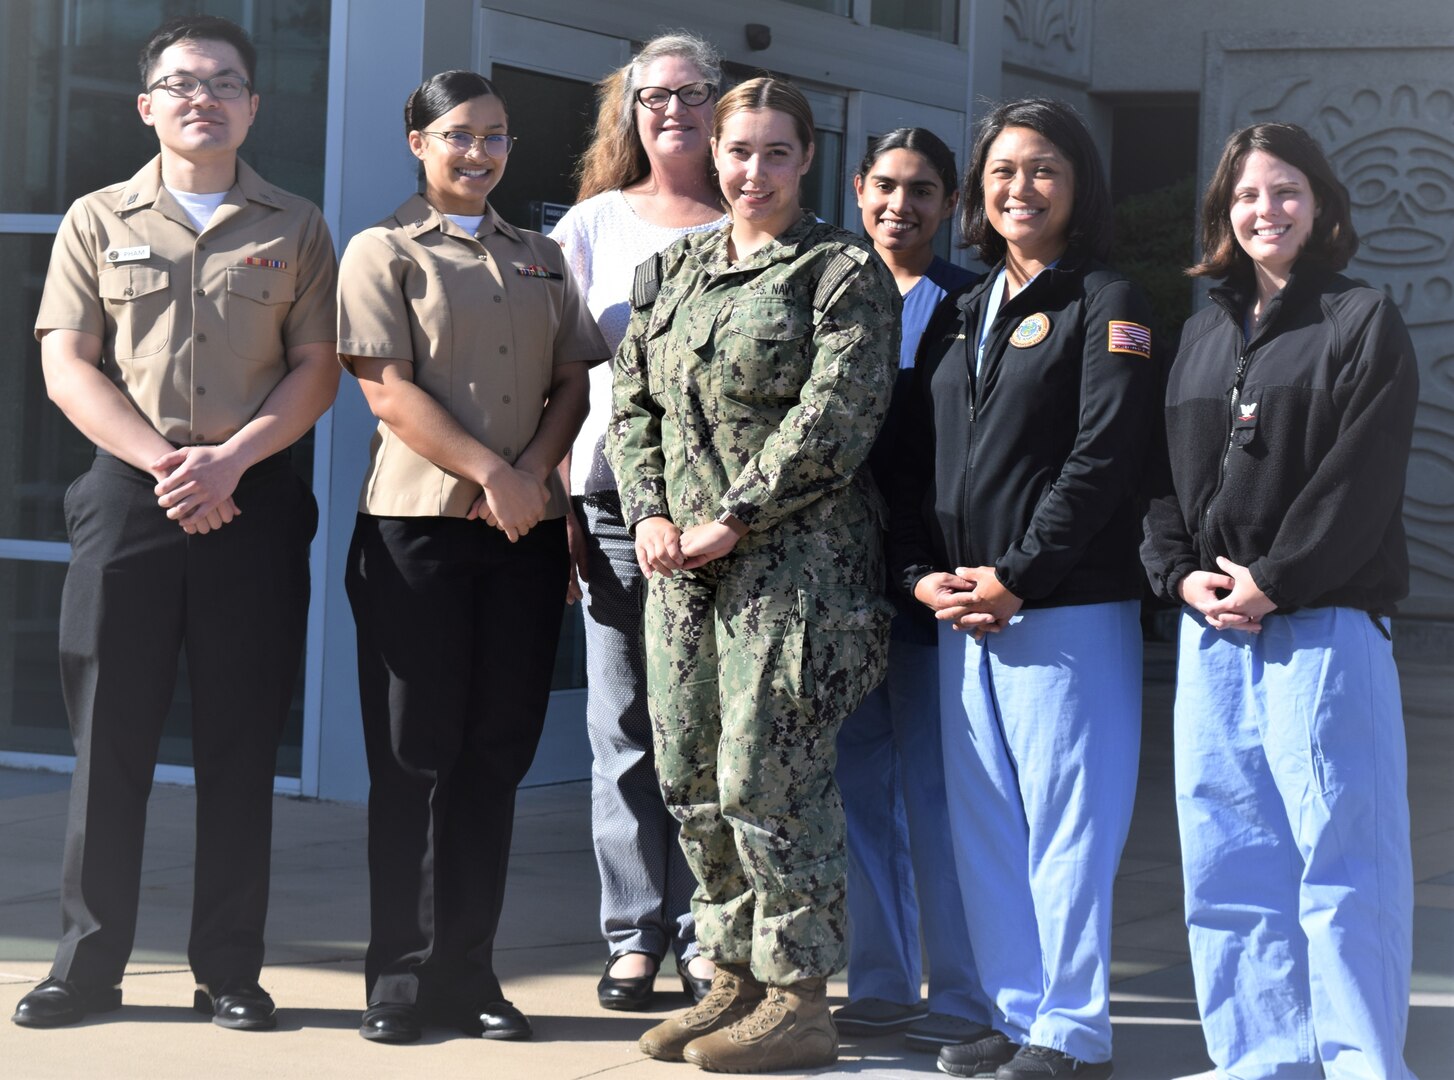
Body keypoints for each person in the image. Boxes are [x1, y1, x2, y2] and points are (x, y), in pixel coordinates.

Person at [11, 15, 337, 1033]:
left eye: (226, 81)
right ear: (148, 104)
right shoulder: (95, 220)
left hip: (256, 498)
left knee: (242, 747)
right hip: (131, 497)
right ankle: (88, 967)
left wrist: (231, 461)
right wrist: (169, 466)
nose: (205, 96)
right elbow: (68, 364)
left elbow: (317, 367)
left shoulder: (296, 226)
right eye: (183, 81)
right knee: (110, 740)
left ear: (252, 104)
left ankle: (229, 972)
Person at [608, 77, 900, 1074]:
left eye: (775, 152)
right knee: (688, 776)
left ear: (806, 159)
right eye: (738, 150)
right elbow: (632, 403)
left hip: (793, 572)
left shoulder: (839, 272)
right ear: (713, 154)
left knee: (764, 780)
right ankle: (727, 970)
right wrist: (647, 510)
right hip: (680, 574)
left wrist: (732, 517)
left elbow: (834, 418)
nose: (752, 170)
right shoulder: (670, 272)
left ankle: (797, 995)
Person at [1142, 122, 1419, 1079]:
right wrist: (1179, 572)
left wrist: (1275, 578)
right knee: (1228, 864)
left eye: (1287, 191)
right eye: (1248, 196)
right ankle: (1262, 1060)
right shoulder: (1204, 330)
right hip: (1211, 632)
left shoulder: (1361, 317)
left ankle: (1360, 1065)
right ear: (1225, 212)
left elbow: (1363, 477)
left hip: (1322, 626)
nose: (1267, 210)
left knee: (1344, 865)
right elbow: (1161, 483)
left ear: (1323, 205)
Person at [889, 98, 1157, 1080]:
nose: (1019, 188)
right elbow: (915, 465)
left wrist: (1017, 576)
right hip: (964, 610)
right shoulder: (961, 311)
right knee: (988, 828)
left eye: (1042, 169)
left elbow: (1102, 459)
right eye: (1001, 170)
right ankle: (1013, 1015)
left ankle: (1072, 1030)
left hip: (1063, 609)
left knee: (1066, 828)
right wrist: (922, 578)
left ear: (1077, 185)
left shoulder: (1107, 301)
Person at [337, 70, 605, 1045]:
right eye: (458, 136)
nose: (479, 153)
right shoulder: (382, 251)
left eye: (494, 137)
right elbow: (386, 390)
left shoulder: (539, 255)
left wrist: (530, 474)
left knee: (493, 759)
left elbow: (573, 380)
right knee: (415, 760)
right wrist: (495, 473)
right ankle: (401, 980)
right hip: (418, 535)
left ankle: (471, 972)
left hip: (521, 537)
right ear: (416, 141)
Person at [549, 32, 728, 1011]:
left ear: (719, 103)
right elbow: (567, 380)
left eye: (690, 93)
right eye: (652, 96)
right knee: (620, 727)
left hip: (724, 525)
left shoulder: (754, 220)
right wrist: (569, 507)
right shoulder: (590, 226)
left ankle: (705, 936)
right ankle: (631, 935)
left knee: (702, 732)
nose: (671, 111)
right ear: (630, 109)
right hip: (615, 510)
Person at [831, 128, 992, 1054]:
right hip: (840, 583)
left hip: (933, 580)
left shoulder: (976, 304)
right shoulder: (826, 286)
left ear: (949, 202)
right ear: (859, 189)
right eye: (887, 185)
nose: (902, 204)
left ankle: (964, 990)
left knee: (939, 794)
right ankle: (882, 981)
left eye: (924, 190)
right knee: (860, 788)